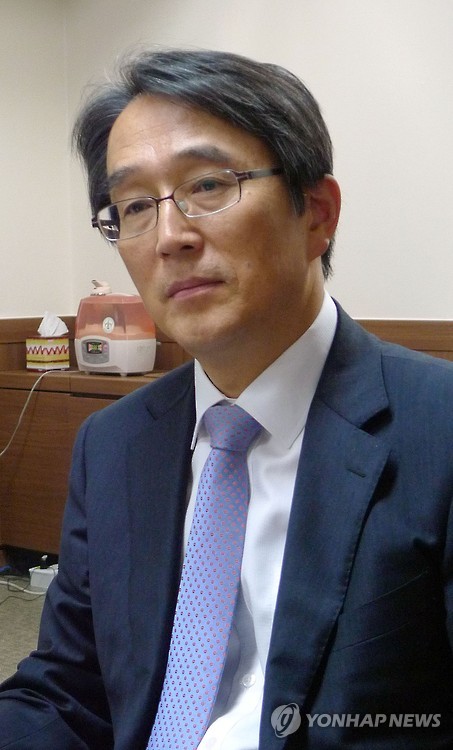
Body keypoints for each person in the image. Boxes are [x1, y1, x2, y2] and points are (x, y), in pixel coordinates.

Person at [1, 47, 453, 750]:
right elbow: (69, 691)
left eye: (209, 185)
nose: (169, 237)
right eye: (133, 206)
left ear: (317, 214)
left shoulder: (437, 429)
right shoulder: (113, 443)